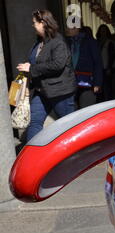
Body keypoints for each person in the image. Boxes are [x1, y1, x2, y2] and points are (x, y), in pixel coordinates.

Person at [17, 9, 76, 142]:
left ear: (43, 23)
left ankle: (76, 154)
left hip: (60, 91)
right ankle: (32, 155)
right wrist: (28, 68)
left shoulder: (58, 41)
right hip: (41, 90)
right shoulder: (39, 42)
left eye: (34, 23)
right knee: (35, 122)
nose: (33, 25)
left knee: (69, 126)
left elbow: (58, 64)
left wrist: (31, 68)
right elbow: (37, 61)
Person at [66, 24, 103, 109]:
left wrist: (97, 83)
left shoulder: (90, 41)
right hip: (71, 83)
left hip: (88, 82)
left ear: (77, 29)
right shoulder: (67, 42)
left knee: (87, 110)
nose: (67, 30)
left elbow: (97, 62)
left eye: (69, 28)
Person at [96, 24, 115, 102]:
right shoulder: (96, 42)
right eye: (101, 30)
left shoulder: (110, 43)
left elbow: (111, 56)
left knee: (107, 87)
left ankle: (108, 102)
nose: (103, 32)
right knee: (99, 87)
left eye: (104, 30)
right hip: (98, 68)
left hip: (106, 68)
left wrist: (109, 68)